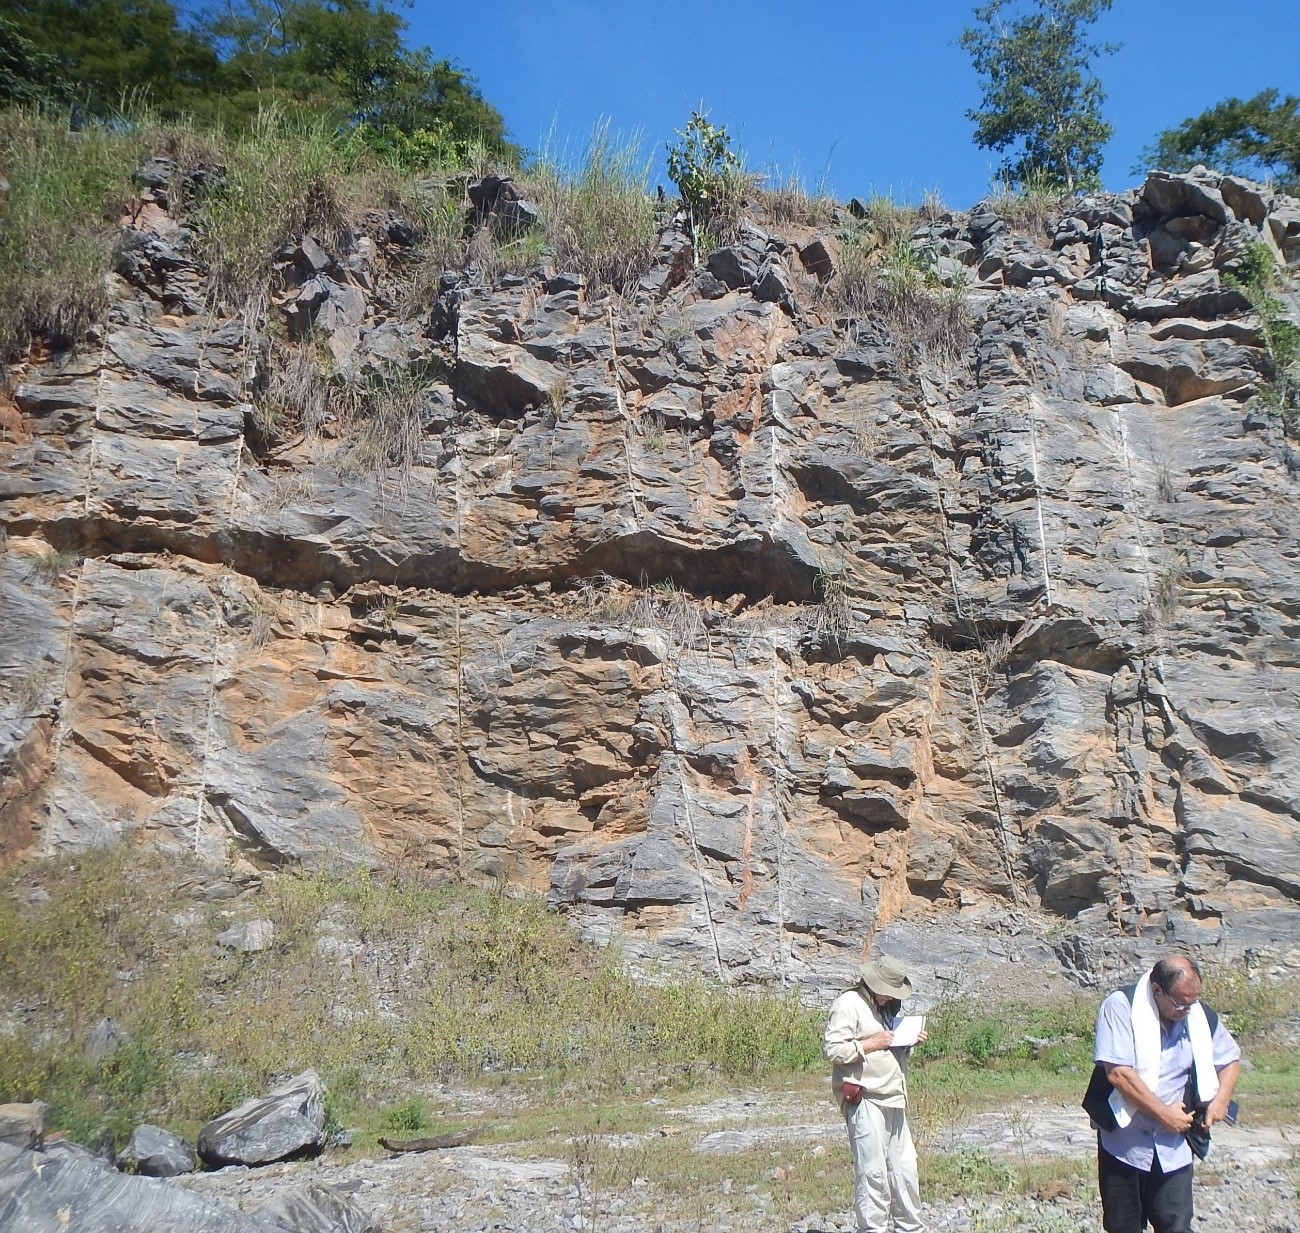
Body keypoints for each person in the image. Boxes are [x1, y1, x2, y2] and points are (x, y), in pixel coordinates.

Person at [1093, 954, 1241, 1233]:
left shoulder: (1198, 1015)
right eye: (1179, 1003)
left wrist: (1221, 1100)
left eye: (1192, 1002)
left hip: (1174, 1147)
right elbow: (1119, 1074)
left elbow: (1230, 1059)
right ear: (1156, 989)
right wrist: (1164, 1115)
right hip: (1125, 1143)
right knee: (1123, 1227)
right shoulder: (1121, 1007)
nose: (1187, 1010)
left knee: (1176, 1226)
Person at [823, 954, 927, 1233]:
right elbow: (833, 1050)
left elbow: (888, 1046)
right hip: (865, 1096)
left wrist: (907, 1041)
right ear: (873, 983)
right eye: (887, 992)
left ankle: (910, 1227)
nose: (889, 997)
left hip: (893, 1096)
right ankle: (872, 1229)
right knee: (873, 1173)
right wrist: (871, 1043)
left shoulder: (886, 1007)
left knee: (905, 1170)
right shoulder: (848, 1004)